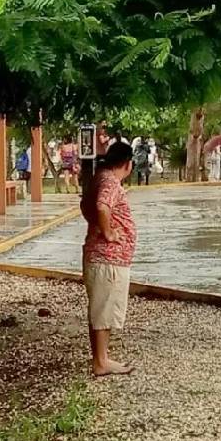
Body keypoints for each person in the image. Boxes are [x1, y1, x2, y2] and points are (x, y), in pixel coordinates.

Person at [80, 142, 136, 377]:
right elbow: (102, 205)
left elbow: (85, 205)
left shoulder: (99, 177)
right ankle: (100, 362)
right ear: (127, 164)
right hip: (107, 258)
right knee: (103, 310)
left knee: (100, 309)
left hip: (101, 257)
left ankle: (101, 358)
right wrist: (108, 232)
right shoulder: (111, 182)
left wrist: (96, 225)